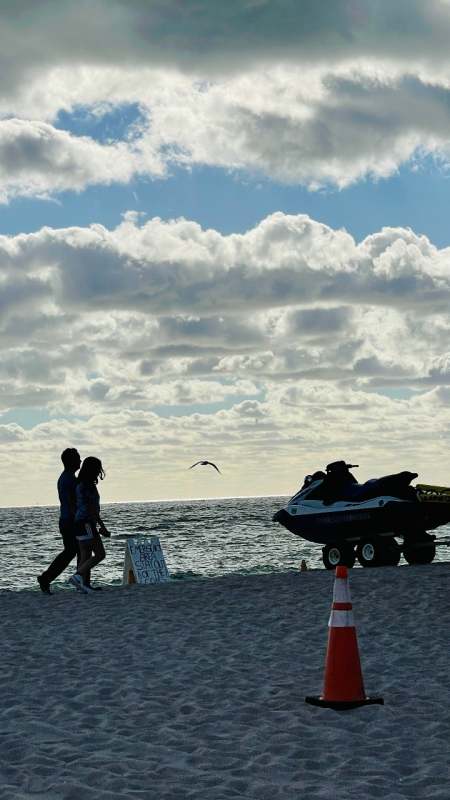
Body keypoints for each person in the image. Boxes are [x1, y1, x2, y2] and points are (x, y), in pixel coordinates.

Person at [38, 447, 83, 595]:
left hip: (67, 520)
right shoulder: (68, 479)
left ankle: (49, 578)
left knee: (73, 551)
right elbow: (71, 503)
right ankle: (47, 578)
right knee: (75, 550)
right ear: (71, 461)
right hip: (70, 520)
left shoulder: (67, 477)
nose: (80, 460)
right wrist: (78, 519)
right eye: (77, 458)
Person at [68, 456, 110, 594]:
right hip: (87, 522)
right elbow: (92, 508)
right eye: (98, 468)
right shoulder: (88, 486)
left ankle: (83, 585)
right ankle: (78, 576)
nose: (99, 471)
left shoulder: (79, 484)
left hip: (78, 522)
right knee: (100, 554)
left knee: (85, 554)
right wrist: (102, 526)